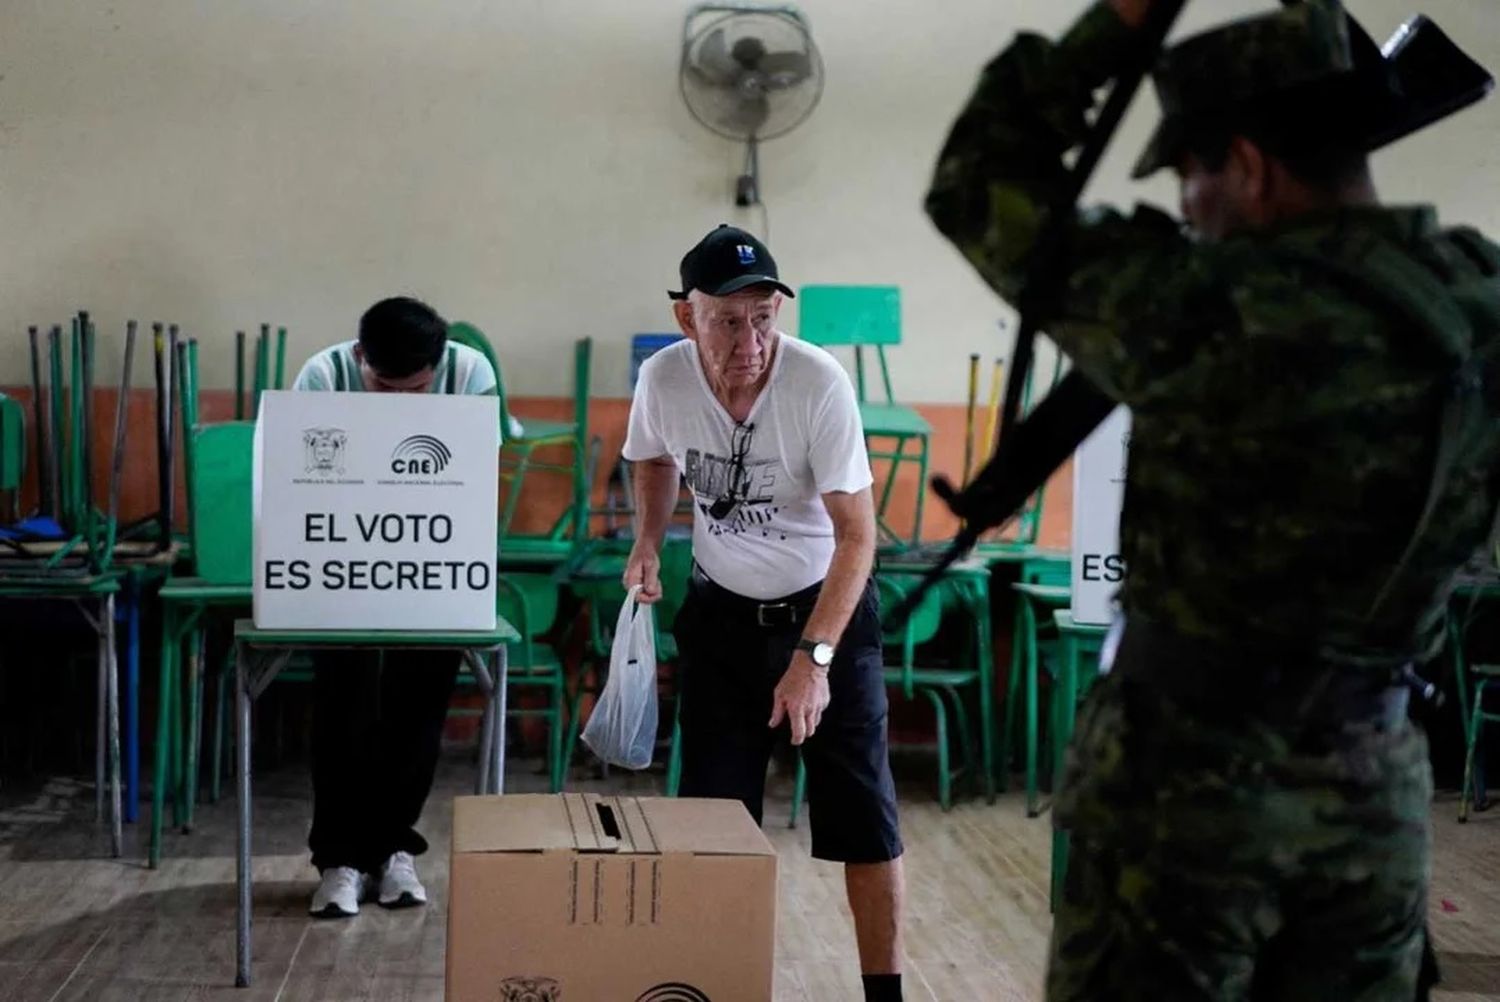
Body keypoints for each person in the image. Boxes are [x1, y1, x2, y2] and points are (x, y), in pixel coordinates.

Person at [924, 0, 1500, 999]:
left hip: (1188, 791)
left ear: (1247, 164)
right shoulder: (1480, 311)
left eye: (1190, 173)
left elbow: (978, 182)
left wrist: (1115, 24)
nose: (1187, 203)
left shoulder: (1203, 309)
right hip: (1378, 791)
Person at [621, 224, 907, 1002]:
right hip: (720, 621)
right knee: (713, 826)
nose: (750, 341)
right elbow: (649, 457)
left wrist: (812, 662)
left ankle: (885, 993)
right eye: (729, 320)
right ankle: (716, 987)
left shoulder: (818, 385)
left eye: (764, 317)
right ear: (689, 317)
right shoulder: (664, 379)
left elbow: (858, 536)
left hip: (827, 614)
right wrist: (650, 540)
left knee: (864, 819)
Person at [290, 295, 499, 918]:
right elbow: (300, 484)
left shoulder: (471, 374)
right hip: (344, 569)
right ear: (361, 359)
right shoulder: (321, 376)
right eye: (384, 388)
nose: (399, 406)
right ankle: (339, 860)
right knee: (343, 707)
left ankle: (394, 851)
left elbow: (475, 480)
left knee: (420, 706)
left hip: (432, 567)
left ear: (440, 365)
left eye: (416, 391)